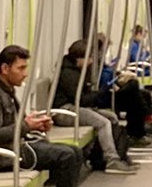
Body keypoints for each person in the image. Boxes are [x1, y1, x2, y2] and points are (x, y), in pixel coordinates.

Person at [0, 44, 100, 187]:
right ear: (5, 68)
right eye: (21, 68)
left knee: (74, 151)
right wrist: (27, 126)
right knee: (66, 156)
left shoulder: (6, 91)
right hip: (4, 157)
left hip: (16, 147)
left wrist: (35, 125)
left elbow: (15, 125)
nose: (25, 74)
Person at [54, 39, 138, 175]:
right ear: (79, 58)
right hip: (65, 111)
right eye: (89, 58)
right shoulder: (68, 74)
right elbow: (81, 100)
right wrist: (102, 92)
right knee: (103, 123)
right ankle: (111, 159)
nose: (91, 61)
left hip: (73, 107)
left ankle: (109, 155)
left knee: (112, 117)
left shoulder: (77, 71)